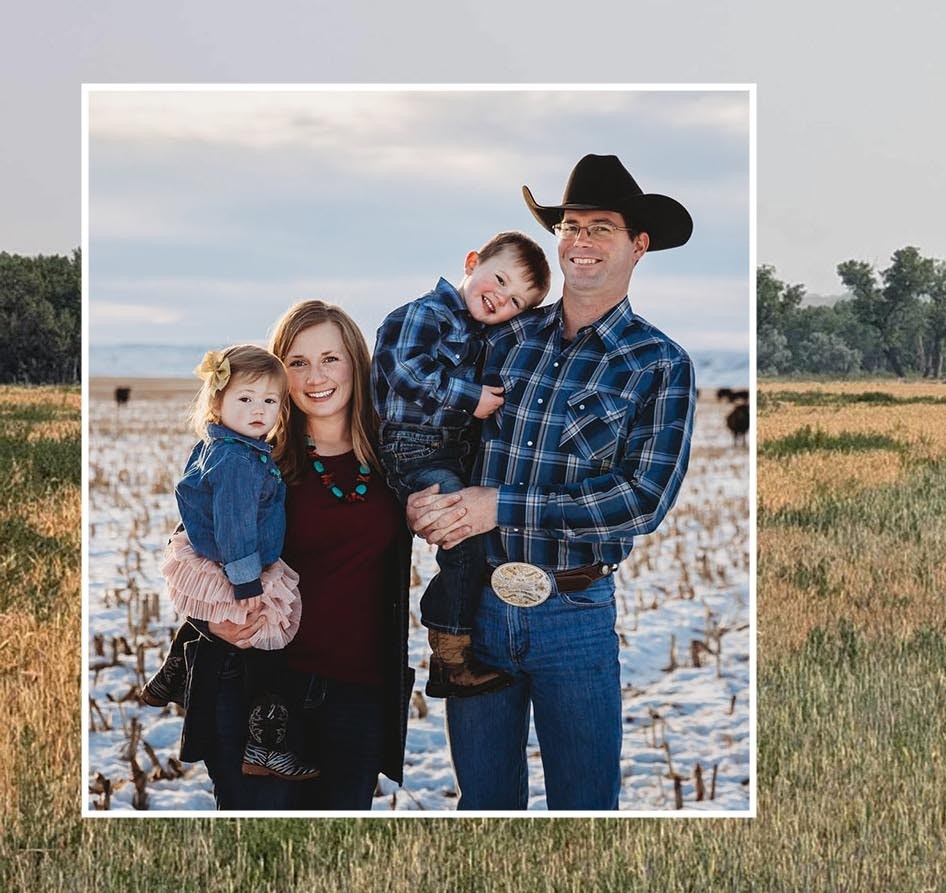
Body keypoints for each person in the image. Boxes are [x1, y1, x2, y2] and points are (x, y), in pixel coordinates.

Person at [407, 154, 697, 810]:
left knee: (585, 806)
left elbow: (641, 499)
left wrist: (501, 506)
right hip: (476, 606)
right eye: (569, 226)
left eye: (600, 227)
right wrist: (425, 495)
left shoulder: (658, 364)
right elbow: (440, 424)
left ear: (638, 245)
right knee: (483, 807)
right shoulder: (505, 337)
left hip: (574, 612)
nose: (581, 241)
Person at [167, 301, 415, 810]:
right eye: (298, 363)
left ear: (356, 364)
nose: (316, 376)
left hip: (358, 692)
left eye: (331, 358)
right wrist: (211, 623)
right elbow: (189, 556)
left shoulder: (394, 461)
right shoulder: (251, 455)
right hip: (255, 691)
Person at [371, 231, 550, 699]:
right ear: (472, 262)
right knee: (463, 532)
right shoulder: (424, 315)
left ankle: (460, 637)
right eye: (499, 281)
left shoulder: (480, 332)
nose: (500, 300)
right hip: (413, 446)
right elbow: (403, 370)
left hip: (448, 447)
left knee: (484, 525)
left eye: (515, 302)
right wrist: (470, 398)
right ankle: (449, 655)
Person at [140, 344, 317, 781]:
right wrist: (247, 585)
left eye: (270, 401)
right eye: (245, 398)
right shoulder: (238, 460)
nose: (259, 410)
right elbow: (235, 524)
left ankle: (173, 671)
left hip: (221, 562)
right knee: (265, 655)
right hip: (236, 567)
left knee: (238, 635)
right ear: (217, 401)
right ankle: (266, 750)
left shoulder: (225, 447)